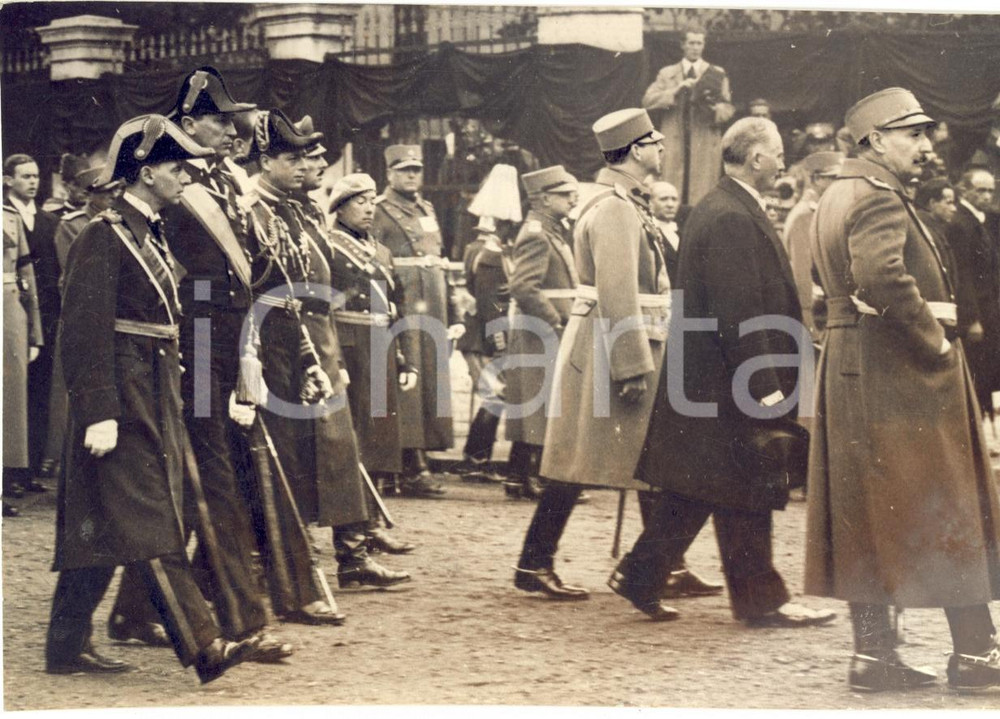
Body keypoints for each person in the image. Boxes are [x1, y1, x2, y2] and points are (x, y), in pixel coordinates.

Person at [46, 114, 259, 683]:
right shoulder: (103, 234)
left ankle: (64, 646)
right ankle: (205, 645)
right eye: (175, 168)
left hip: (153, 387)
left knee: (101, 518)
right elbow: (82, 329)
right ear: (144, 173)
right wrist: (98, 411)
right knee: (148, 516)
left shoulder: (150, 232)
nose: (185, 179)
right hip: (121, 395)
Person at [805, 87, 1000, 693]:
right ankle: (977, 655)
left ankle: (875, 656)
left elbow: (825, 288)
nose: (925, 145)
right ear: (874, 141)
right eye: (912, 134)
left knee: (867, 515)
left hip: (854, 368)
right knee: (946, 505)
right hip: (903, 375)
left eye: (925, 133)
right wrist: (934, 344)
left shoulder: (835, 194)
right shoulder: (876, 198)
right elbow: (884, 276)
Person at [108, 66, 302, 652]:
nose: (230, 129)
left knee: (212, 479)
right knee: (213, 481)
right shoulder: (179, 188)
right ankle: (244, 622)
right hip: (192, 350)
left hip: (225, 346)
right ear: (189, 123)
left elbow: (246, 273)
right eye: (218, 120)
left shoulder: (222, 185)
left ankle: (133, 611)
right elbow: (178, 281)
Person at [616, 116, 836, 629]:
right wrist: (763, 386)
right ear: (756, 159)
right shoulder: (732, 216)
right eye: (778, 153)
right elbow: (739, 310)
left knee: (714, 487)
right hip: (730, 382)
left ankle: (645, 575)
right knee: (736, 484)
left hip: (713, 381)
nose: (783, 162)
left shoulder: (721, 207)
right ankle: (754, 599)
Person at [245, 111, 410, 591]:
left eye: (307, 158)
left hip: (321, 343)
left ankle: (353, 556)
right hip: (282, 346)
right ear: (265, 161)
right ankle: (274, 568)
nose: (304, 167)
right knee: (287, 461)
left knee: (340, 450)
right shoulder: (254, 209)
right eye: (291, 158)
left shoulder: (298, 209)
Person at [526, 110, 670, 602]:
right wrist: (631, 362)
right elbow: (617, 289)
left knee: (639, 456)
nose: (661, 146)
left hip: (616, 337)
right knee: (583, 461)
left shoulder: (622, 201)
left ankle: (663, 566)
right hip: (616, 342)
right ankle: (536, 561)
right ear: (634, 150)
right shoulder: (615, 208)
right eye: (654, 140)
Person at [326, 173, 417, 583]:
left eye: (370, 201)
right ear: (340, 208)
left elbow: (394, 308)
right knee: (352, 443)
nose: (367, 207)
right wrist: (334, 359)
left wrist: (403, 358)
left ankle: (369, 528)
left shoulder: (380, 251)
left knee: (378, 438)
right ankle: (353, 550)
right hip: (348, 348)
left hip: (379, 347)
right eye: (358, 201)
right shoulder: (329, 247)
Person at [373, 144, 464, 497]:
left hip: (433, 306)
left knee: (429, 382)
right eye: (404, 169)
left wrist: (453, 309)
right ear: (390, 174)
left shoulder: (426, 209)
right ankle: (411, 463)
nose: (412, 175)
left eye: (417, 169)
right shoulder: (380, 211)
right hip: (405, 302)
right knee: (407, 382)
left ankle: (421, 452)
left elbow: (437, 259)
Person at [3, 153, 60, 489]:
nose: (33, 182)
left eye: (36, 176)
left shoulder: (49, 221)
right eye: (25, 176)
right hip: (11, 311)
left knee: (38, 391)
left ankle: (31, 466)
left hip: (41, 312)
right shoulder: (7, 217)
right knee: (12, 392)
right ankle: (11, 470)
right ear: (8, 180)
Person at [642, 29, 734, 205]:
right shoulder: (667, 73)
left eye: (699, 43)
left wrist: (713, 108)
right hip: (675, 140)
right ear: (683, 45)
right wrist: (675, 91)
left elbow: (728, 108)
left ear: (704, 45)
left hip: (704, 141)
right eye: (691, 43)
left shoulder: (716, 73)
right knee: (671, 191)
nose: (695, 48)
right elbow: (647, 100)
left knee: (702, 194)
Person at [457, 215, 510, 478]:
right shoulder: (490, 253)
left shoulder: (472, 249)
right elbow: (489, 302)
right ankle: (475, 459)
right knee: (495, 395)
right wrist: (498, 340)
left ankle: (477, 456)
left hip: (477, 333)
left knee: (494, 396)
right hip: (481, 336)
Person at [946, 167, 1000, 418]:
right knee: (979, 370)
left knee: (988, 369)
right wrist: (972, 319)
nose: (987, 196)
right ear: (964, 190)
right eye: (981, 191)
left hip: (990, 308)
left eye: (990, 190)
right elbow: (963, 275)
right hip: (977, 312)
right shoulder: (961, 224)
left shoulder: (980, 221)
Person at [2, 198, 43, 517]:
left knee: (9, 403)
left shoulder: (10, 218)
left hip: (9, 312)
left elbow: (26, 275)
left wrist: (34, 332)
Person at [782, 151, 844, 340]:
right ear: (816, 179)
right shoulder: (805, 215)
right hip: (813, 315)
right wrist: (808, 321)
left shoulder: (818, 211)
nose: (838, 184)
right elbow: (801, 273)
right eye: (832, 178)